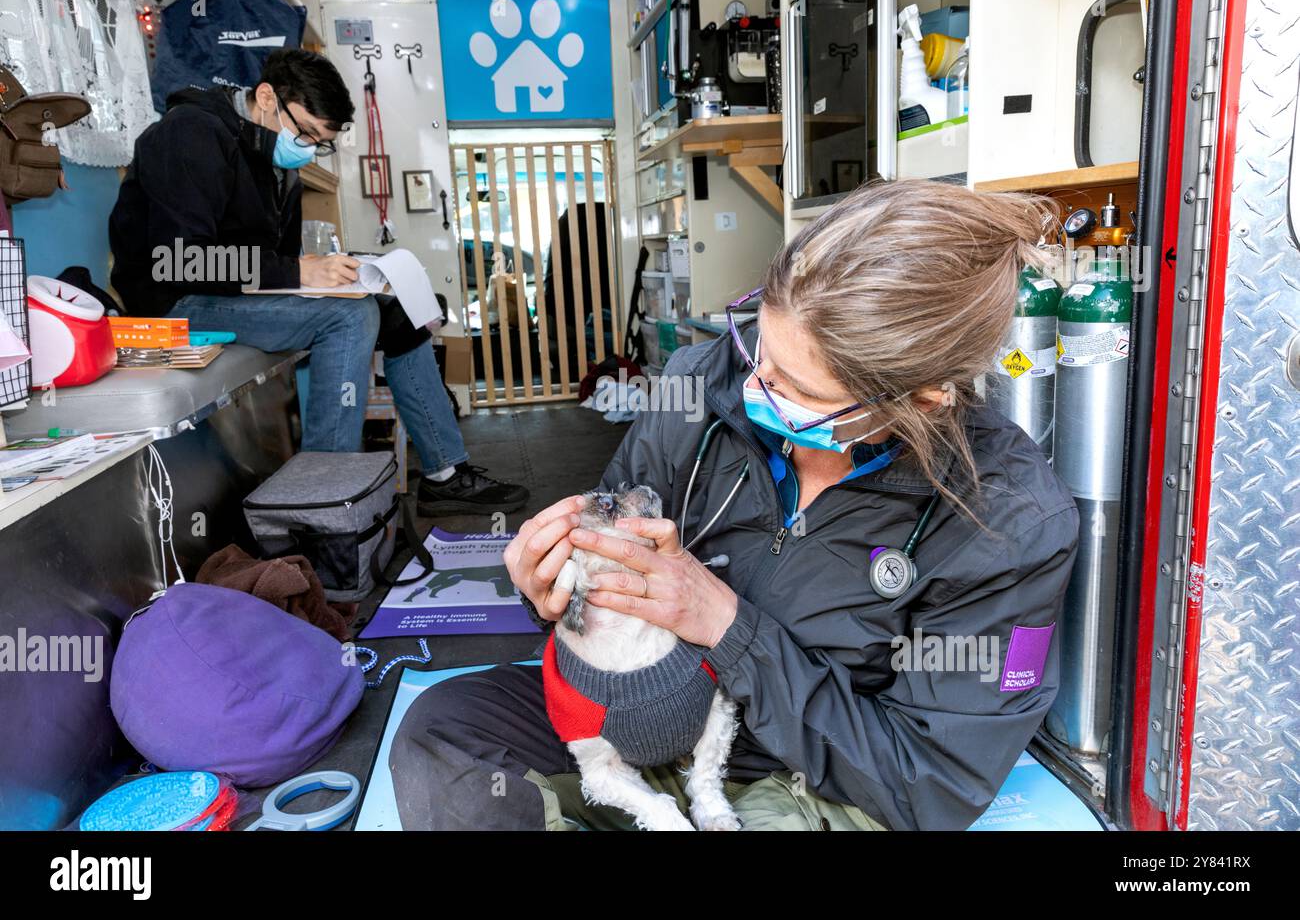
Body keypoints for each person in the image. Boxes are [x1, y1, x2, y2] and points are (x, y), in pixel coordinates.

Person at [388, 179, 1081, 830]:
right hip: (640, 711)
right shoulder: (703, 386)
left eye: (798, 387)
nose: (755, 382)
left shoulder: (1008, 521)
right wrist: (549, 586)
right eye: (760, 347)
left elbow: (927, 780)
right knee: (443, 733)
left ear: (925, 396)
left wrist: (728, 624)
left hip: (803, 774)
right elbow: (600, 571)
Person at [108, 48, 528, 517]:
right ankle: (323, 498)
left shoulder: (276, 162)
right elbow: (179, 260)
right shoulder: (189, 134)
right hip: (176, 304)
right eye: (305, 132)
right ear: (266, 97)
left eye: (319, 141)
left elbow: (282, 260)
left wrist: (337, 272)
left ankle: (444, 474)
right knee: (348, 316)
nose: (307, 147)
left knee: (399, 309)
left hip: (233, 294)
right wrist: (300, 273)